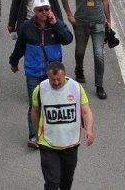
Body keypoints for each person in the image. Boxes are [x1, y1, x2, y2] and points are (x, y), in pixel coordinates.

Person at [10, 0, 73, 149]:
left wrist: (56, 23)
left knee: (55, 102)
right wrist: (14, 61)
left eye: (46, 9)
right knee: (35, 103)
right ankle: (34, 136)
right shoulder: (26, 26)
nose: (44, 12)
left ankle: (54, 133)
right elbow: (20, 45)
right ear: (34, 11)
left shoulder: (56, 24)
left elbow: (68, 39)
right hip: (33, 71)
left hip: (53, 74)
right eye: (41, 10)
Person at [31, 61, 94, 190]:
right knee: (52, 182)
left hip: (70, 144)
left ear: (64, 75)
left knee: (66, 181)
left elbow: (86, 111)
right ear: (47, 77)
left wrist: (89, 129)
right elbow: (35, 112)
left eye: (59, 79)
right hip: (48, 143)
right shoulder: (40, 89)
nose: (56, 83)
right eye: (52, 80)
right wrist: (36, 133)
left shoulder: (76, 88)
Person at [62, 0, 111, 100]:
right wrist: (69, 15)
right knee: (80, 51)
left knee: (99, 54)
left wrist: (109, 20)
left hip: (98, 23)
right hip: (81, 23)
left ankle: (99, 85)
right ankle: (79, 70)